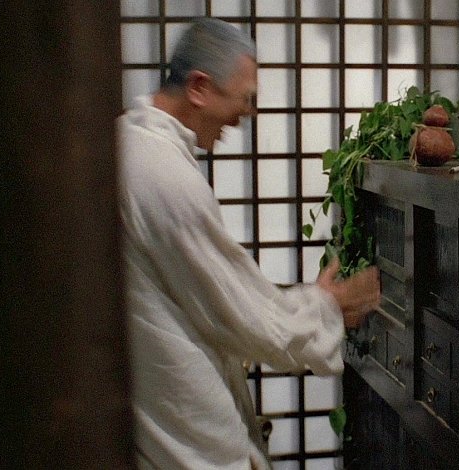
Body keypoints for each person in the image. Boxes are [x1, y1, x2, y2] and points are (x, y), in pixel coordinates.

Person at [116, 18, 381, 469]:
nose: (246, 115)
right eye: (245, 98)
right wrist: (327, 305)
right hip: (183, 420)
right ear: (199, 87)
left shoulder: (127, 142)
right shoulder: (161, 173)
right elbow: (241, 311)